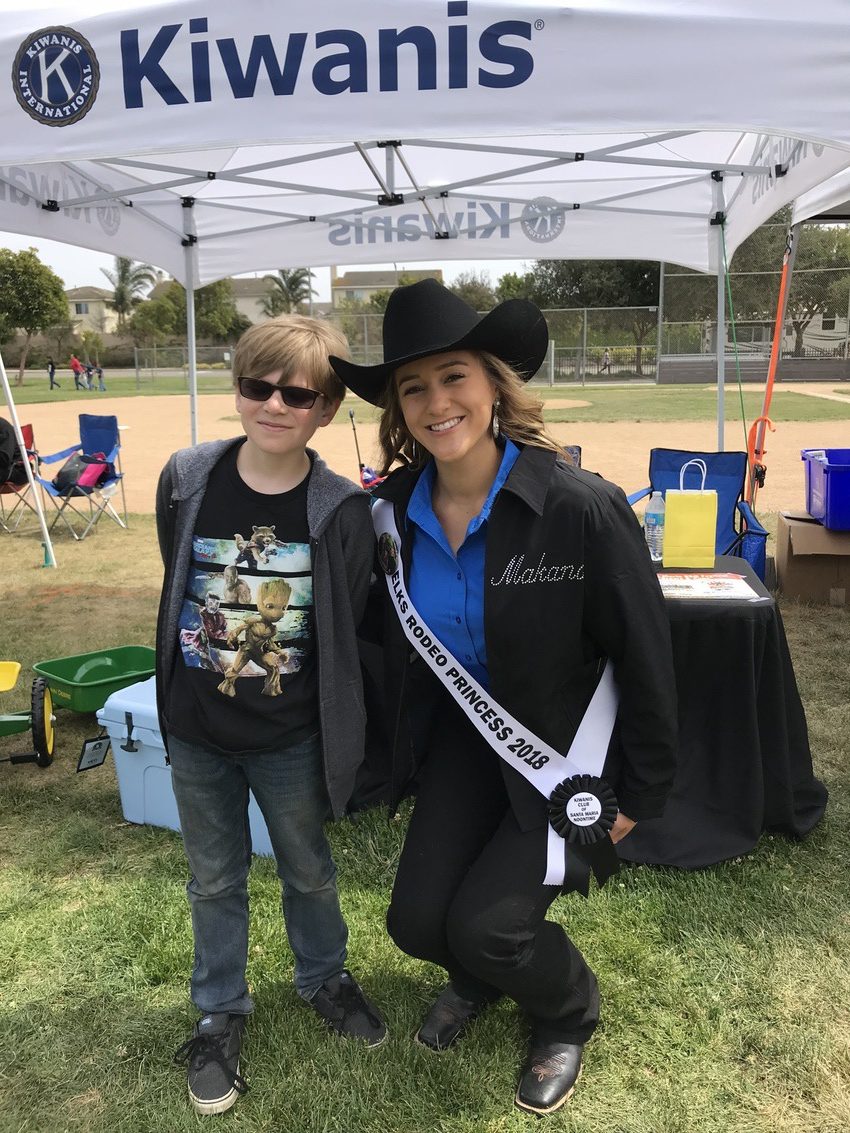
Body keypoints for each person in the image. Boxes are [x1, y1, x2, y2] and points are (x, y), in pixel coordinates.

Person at [330, 280, 677, 1116]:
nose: (435, 402)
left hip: (567, 753)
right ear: (396, 410)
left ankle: (566, 1010)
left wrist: (639, 790)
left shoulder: (578, 508)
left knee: (490, 924)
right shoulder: (388, 517)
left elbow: (647, 652)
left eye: (453, 377)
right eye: (413, 387)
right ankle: (477, 980)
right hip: (466, 749)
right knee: (417, 923)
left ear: (493, 384)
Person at [155, 314, 386, 1116]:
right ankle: (220, 1007)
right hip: (196, 731)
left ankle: (324, 976)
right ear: (238, 389)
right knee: (213, 878)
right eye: (259, 386)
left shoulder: (341, 508)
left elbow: (346, 618)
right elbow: (178, 576)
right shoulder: (186, 477)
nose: (275, 405)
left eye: (298, 393)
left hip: (291, 738)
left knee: (308, 868)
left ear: (325, 408)